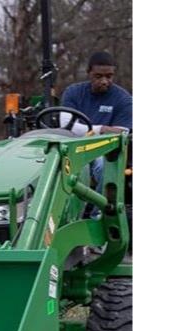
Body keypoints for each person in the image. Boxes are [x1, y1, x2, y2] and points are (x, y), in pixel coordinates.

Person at [59, 51, 132, 215]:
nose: (104, 81)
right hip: (73, 146)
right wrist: (101, 129)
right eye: (98, 76)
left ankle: (97, 215)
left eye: (109, 76)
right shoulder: (73, 92)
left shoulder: (123, 99)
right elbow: (66, 124)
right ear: (89, 73)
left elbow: (120, 133)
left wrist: (84, 129)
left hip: (103, 150)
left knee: (104, 167)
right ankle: (65, 215)